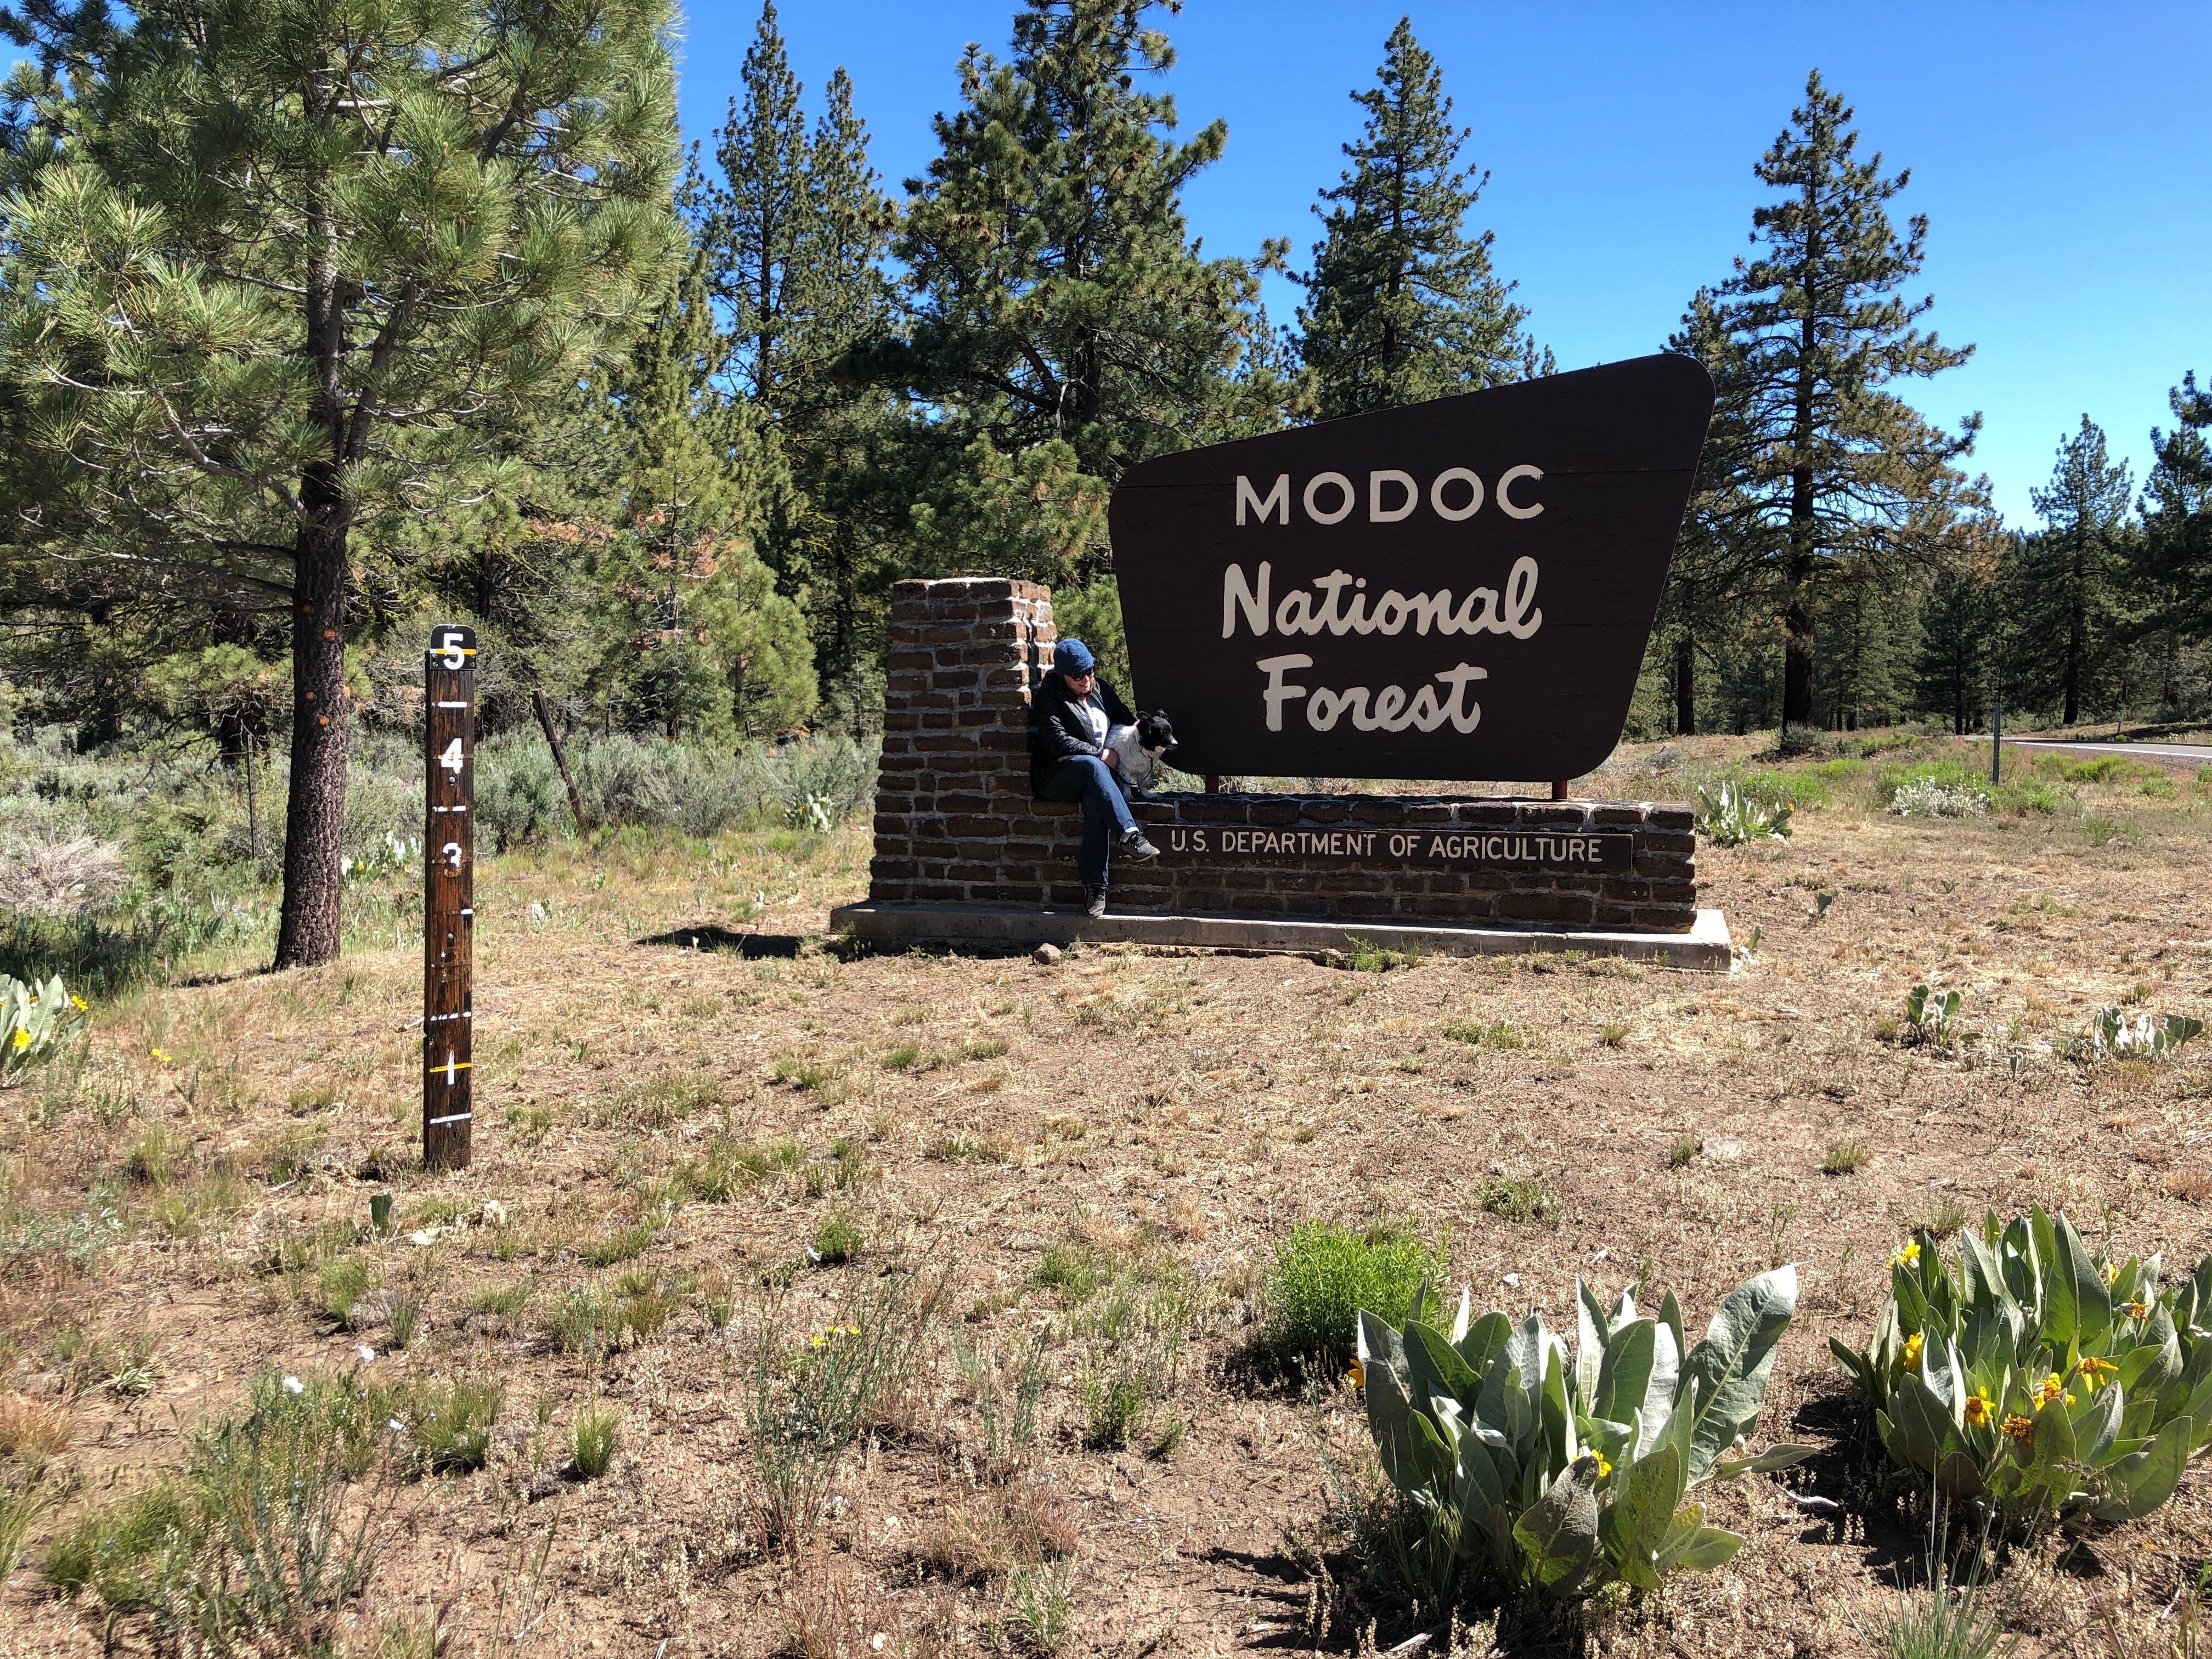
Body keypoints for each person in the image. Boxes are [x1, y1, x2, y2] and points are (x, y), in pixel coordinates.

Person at [1030, 637, 1160, 916]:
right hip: (1059, 775)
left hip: (1096, 777)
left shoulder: (1101, 689)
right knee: (1092, 766)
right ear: (1063, 676)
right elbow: (1056, 741)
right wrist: (1098, 753)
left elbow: (1127, 720)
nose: (1087, 679)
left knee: (1095, 799)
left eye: (1090, 671)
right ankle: (1129, 835)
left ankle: (1095, 887)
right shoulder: (1049, 697)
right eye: (1078, 676)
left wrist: (1147, 735)